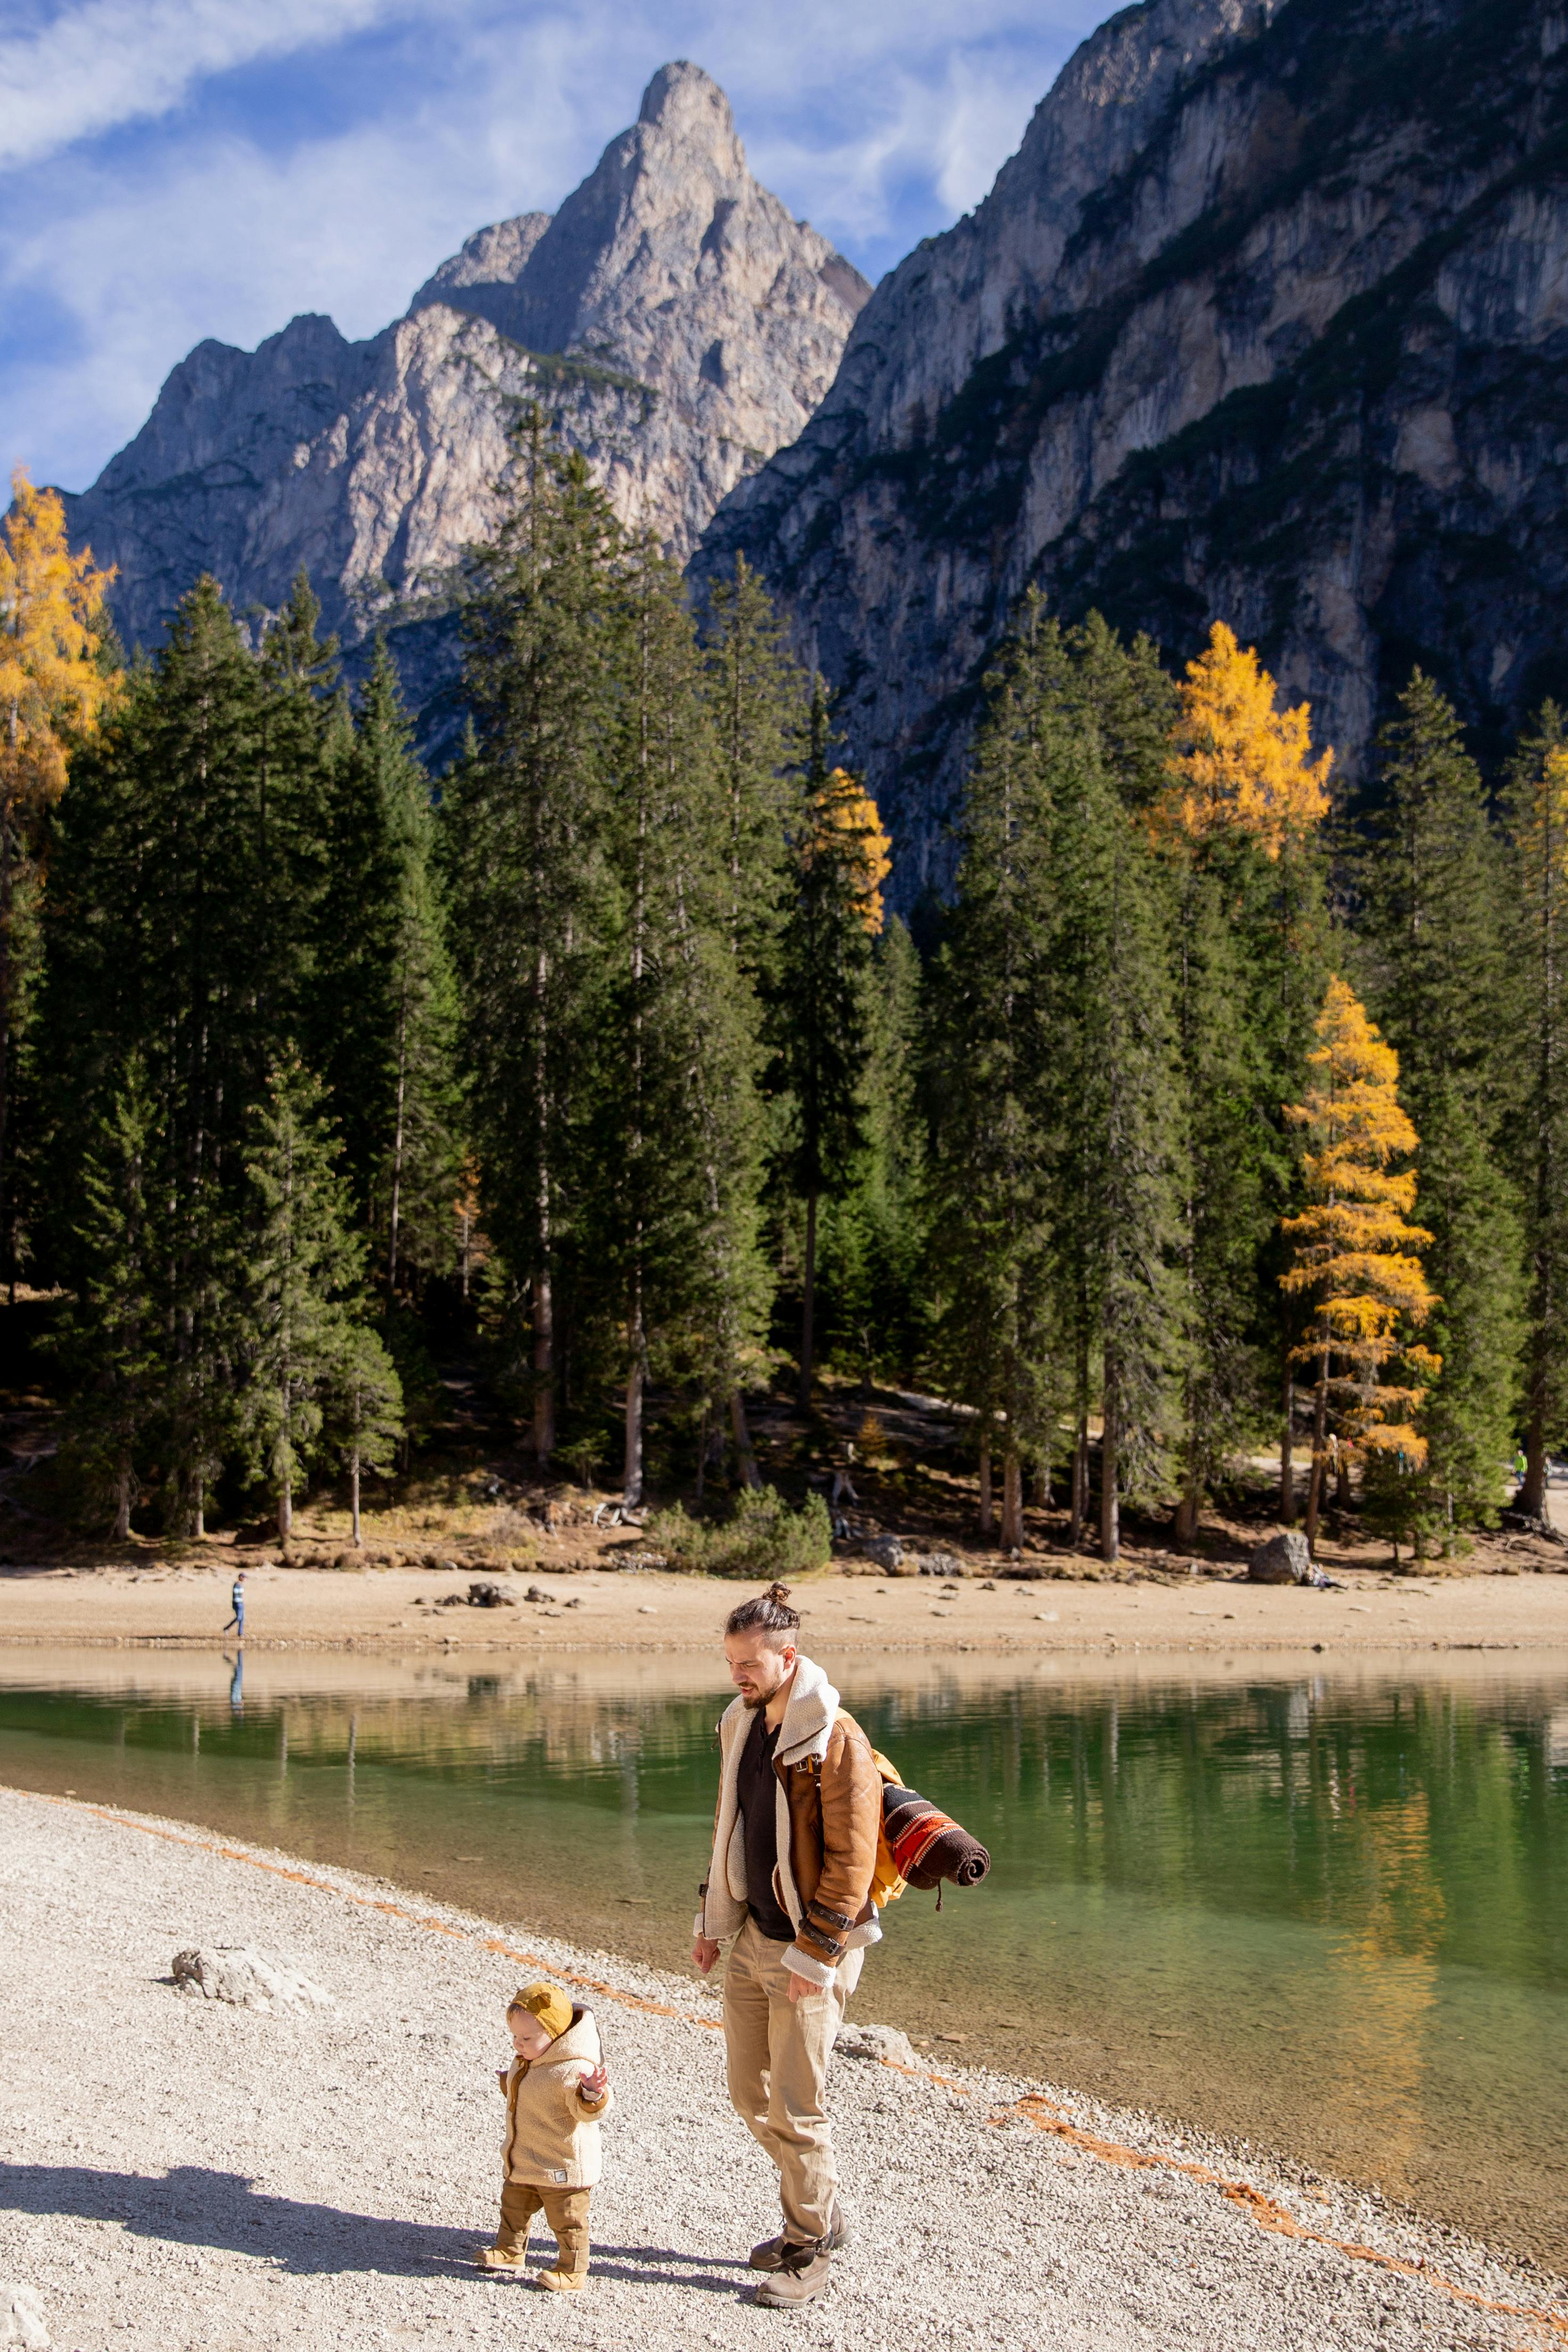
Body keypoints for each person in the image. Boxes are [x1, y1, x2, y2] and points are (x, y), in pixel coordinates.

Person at [692, 1582, 880, 2310]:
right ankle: (822, 2204)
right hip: (752, 1940)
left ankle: (807, 2249)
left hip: (811, 1949)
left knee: (800, 2108)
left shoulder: (834, 1737)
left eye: (751, 1662)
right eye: (732, 1660)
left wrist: (818, 1954)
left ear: (788, 1656)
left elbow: (852, 1863)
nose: (739, 1673)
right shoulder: (741, 1723)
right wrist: (712, 1924)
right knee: (750, 2094)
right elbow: (728, 1827)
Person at [473, 1982, 612, 2292]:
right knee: (513, 2207)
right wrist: (509, 2084)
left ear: (556, 2035)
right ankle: (510, 2251)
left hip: (563, 2165)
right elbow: (527, 2094)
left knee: (568, 2221)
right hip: (525, 2158)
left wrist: (592, 2092)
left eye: (526, 2038)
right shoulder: (528, 2060)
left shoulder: (574, 2069)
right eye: (514, 2037)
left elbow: (587, 2111)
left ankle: (572, 2270)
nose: (517, 2045)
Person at [223, 1572, 245, 1641]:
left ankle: (240, 1633)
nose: (245, 1579)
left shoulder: (241, 1585)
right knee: (239, 1617)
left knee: (242, 1618)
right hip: (237, 1603)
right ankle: (226, 1628)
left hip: (241, 1603)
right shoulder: (237, 1585)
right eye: (244, 1577)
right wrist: (237, 1603)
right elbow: (236, 1596)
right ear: (241, 1577)